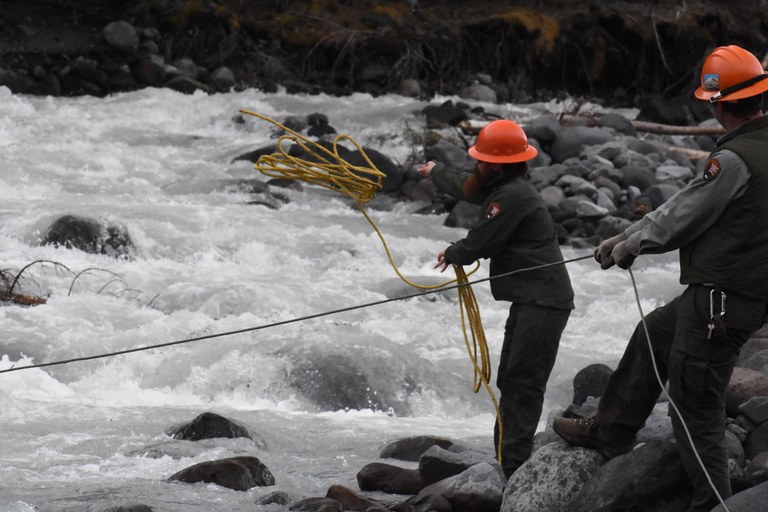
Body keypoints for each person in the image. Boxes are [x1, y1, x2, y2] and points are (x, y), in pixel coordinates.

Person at [552, 44, 768, 512]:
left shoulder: (732, 160)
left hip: (720, 301)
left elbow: (685, 216)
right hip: (741, 295)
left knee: (695, 409)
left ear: (718, 103)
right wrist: (627, 234)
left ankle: (711, 505)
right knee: (655, 331)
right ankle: (610, 431)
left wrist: (632, 246)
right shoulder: (760, 147)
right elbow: (688, 201)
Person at [418, 119, 574, 478]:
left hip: (544, 304)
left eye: (482, 159)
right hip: (532, 302)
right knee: (511, 380)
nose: (476, 164)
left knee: (522, 385)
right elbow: (467, 186)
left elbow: (482, 241)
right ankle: (507, 463)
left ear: (499, 164)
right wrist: (435, 171)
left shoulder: (513, 196)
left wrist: (454, 252)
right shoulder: (503, 185)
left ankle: (513, 470)